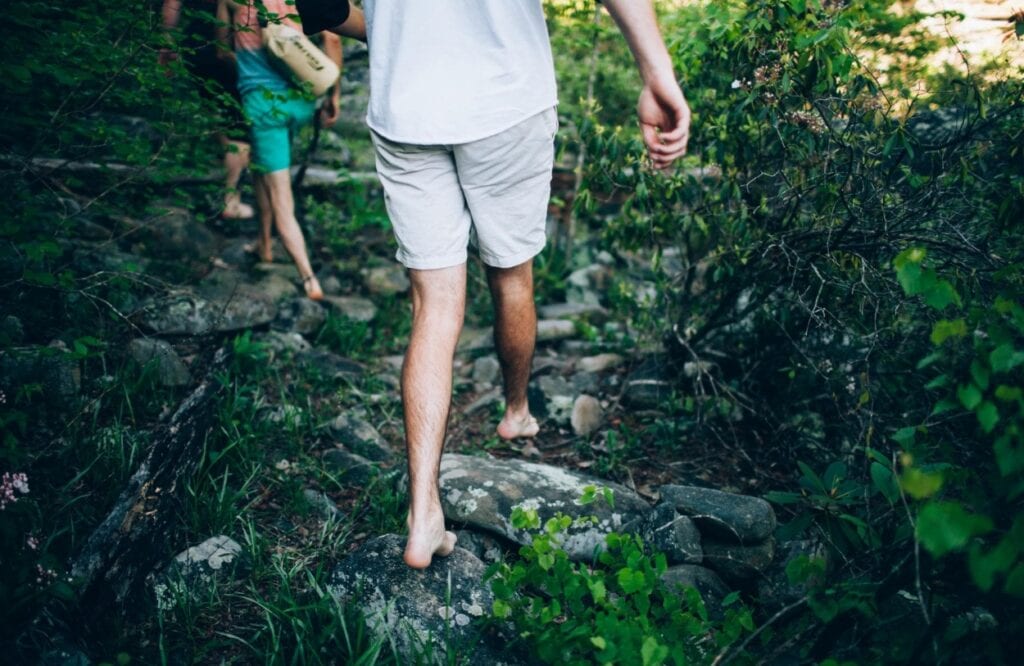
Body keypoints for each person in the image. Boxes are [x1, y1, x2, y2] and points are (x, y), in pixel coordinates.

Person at [298, 0, 691, 568]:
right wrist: (657, 74)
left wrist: (403, 31)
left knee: (434, 306)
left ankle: (424, 512)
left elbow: (325, 9)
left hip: (406, 108)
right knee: (511, 277)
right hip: (507, 102)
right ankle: (515, 409)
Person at [216, 0, 343, 300]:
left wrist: (251, 69)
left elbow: (222, 53)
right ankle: (265, 245)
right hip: (299, 101)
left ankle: (309, 278)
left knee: (280, 196)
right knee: (262, 168)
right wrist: (333, 95)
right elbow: (333, 38)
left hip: (264, 107)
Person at [160, 0, 255, 221]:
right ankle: (231, 199)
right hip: (233, 44)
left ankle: (229, 176)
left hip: (197, 43)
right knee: (239, 127)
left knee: (218, 113)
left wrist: (167, 40)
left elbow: (172, 3)